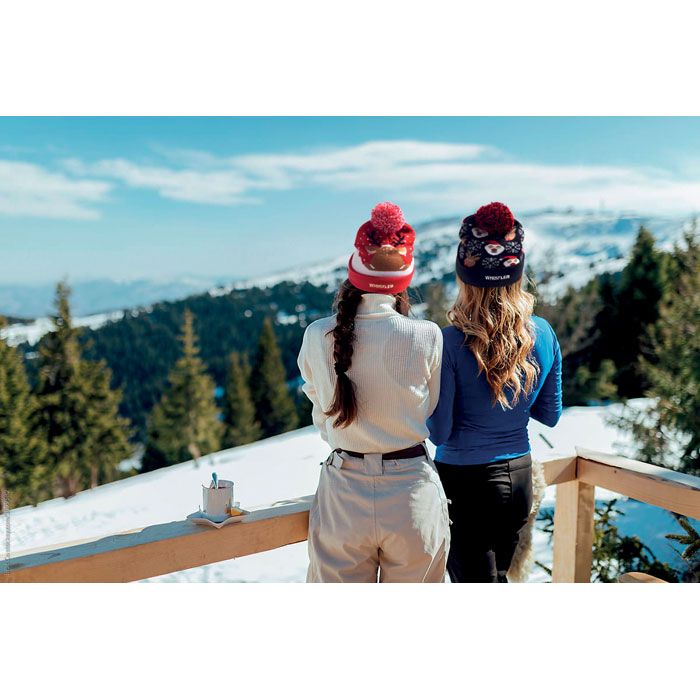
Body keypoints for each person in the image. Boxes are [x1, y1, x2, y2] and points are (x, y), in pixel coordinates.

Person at [297, 202, 449, 583]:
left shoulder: (318, 334)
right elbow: (428, 406)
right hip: (413, 491)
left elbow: (318, 405)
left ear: (354, 271)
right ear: (405, 278)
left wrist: (349, 436)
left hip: (344, 489)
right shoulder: (428, 335)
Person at [428, 201, 562, 583]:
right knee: (499, 578)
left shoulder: (449, 342)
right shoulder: (542, 333)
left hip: (463, 486)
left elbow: (440, 431)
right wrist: (509, 394)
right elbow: (549, 414)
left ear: (464, 276)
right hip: (519, 480)